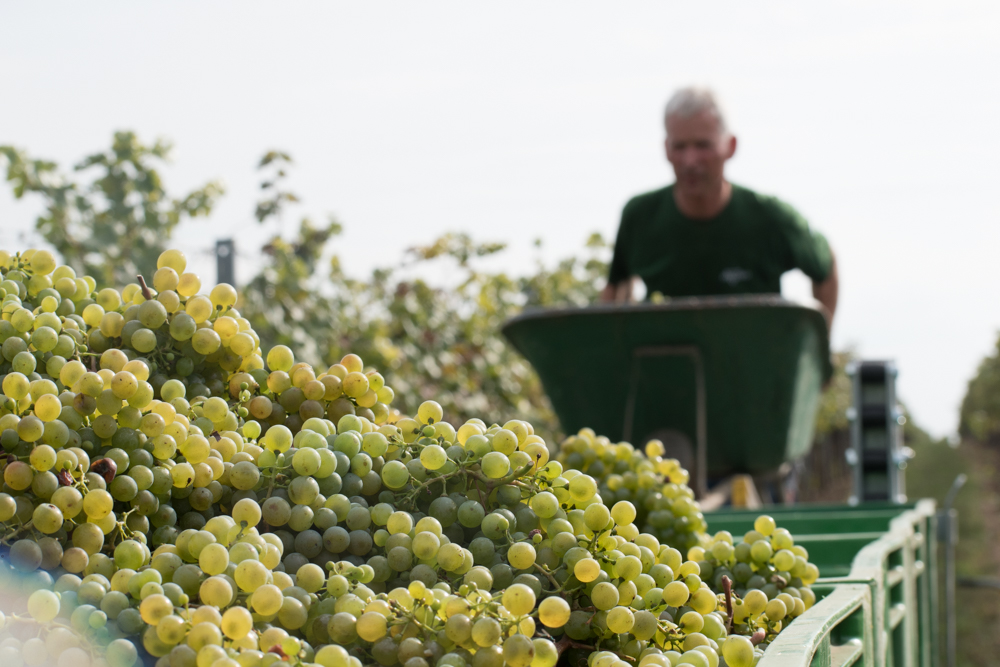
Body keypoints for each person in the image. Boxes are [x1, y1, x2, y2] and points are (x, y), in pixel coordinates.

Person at [600, 87, 839, 330]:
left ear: (730, 146)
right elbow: (616, 288)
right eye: (679, 147)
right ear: (666, 149)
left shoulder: (771, 218)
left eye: (703, 146)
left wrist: (817, 352)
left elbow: (824, 265)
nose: (690, 161)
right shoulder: (640, 216)